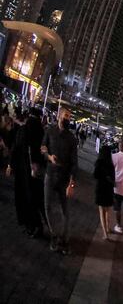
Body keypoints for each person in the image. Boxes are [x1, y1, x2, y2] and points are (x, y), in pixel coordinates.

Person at [40, 109, 78, 254]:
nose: (68, 118)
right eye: (66, 115)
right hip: (50, 174)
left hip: (64, 178)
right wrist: (49, 157)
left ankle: (64, 239)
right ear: (59, 116)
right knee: (47, 207)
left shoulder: (72, 138)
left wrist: (71, 183)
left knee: (65, 210)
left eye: (69, 116)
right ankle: (54, 236)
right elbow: (43, 147)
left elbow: (75, 163)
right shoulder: (50, 131)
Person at [10, 107, 46, 238]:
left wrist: (10, 164)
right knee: (36, 199)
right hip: (37, 172)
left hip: (23, 170)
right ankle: (38, 226)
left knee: (25, 198)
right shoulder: (41, 131)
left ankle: (31, 226)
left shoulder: (24, 129)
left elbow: (16, 147)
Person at [93, 145, 115, 240]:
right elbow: (113, 178)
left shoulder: (99, 162)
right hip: (109, 189)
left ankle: (105, 233)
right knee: (107, 210)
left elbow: (95, 175)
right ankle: (108, 228)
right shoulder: (110, 164)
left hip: (100, 188)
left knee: (101, 211)